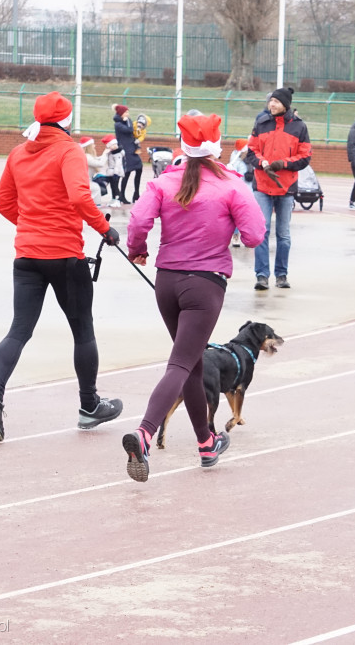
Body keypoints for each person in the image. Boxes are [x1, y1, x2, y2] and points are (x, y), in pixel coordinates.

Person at [122, 114, 266, 481]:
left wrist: (138, 248)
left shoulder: (163, 181)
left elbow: (138, 222)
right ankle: (145, 432)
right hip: (205, 283)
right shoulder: (231, 185)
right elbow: (253, 234)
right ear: (217, 145)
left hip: (167, 281)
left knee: (193, 361)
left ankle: (206, 442)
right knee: (182, 363)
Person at [0, 92, 124, 443]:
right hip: (64, 254)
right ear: (66, 120)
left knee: (18, 331)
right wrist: (106, 229)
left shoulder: (18, 152)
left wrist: (31, 225)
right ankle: (89, 406)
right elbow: (78, 195)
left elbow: (2, 202)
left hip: (27, 254)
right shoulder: (69, 150)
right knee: (82, 330)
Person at [244, 87, 312, 290]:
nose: (271, 104)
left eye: (275, 101)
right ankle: (261, 276)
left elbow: (305, 156)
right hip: (262, 186)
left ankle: (281, 274)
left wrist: (283, 164)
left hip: (286, 186)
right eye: (270, 101)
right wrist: (263, 163)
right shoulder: (261, 123)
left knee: (283, 234)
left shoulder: (299, 127)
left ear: (285, 104)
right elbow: (251, 151)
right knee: (261, 230)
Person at [113, 103, 143, 203]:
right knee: (127, 173)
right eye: (126, 112)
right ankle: (122, 195)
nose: (128, 114)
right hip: (125, 151)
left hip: (133, 149)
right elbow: (129, 129)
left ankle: (136, 194)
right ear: (121, 113)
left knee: (139, 169)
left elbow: (132, 130)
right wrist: (128, 122)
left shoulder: (127, 121)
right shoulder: (118, 124)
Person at [227, 138, 254, 247]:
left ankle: (248, 238)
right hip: (239, 193)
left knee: (249, 216)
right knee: (238, 216)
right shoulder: (236, 160)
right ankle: (236, 236)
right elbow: (233, 176)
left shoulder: (249, 160)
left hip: (250, 192)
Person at [80, 137, 110, 207]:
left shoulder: (88, 156)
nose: (94, 146)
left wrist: (105, 153)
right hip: (86, 183)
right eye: (93, 144)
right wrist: (105, 153)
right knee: (96, 188)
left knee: (96, 188)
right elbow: (100, 164)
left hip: (87, 181)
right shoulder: (87, 157)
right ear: (89, 146)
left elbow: (98, 159)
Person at [100, 135, 125, 208]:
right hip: (111, 172)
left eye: (115, 144)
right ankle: (113, 198)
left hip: (116, 172)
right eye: (113, 145)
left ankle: (118, 200)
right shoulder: (110, 152)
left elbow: (118, 164)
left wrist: (116, 174)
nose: (115, 146)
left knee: (115, 186)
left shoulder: (118, 153)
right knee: (112, 187)